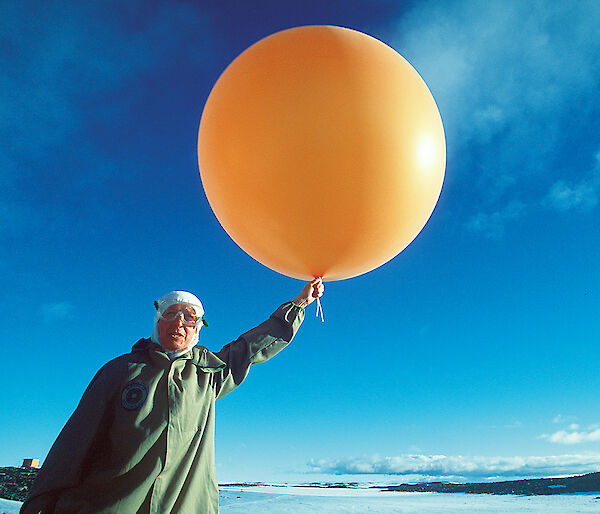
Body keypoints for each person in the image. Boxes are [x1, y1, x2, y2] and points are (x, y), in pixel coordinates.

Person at [21, 278, 324, 514]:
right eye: (171, 314)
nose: (180, 322)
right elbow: (74, 443)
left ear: (198, 328)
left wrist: (298, 304)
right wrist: (42, 502)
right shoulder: (119, 371)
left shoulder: (208, 375)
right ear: (157, 322)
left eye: (189, 317)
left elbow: (252, 346)